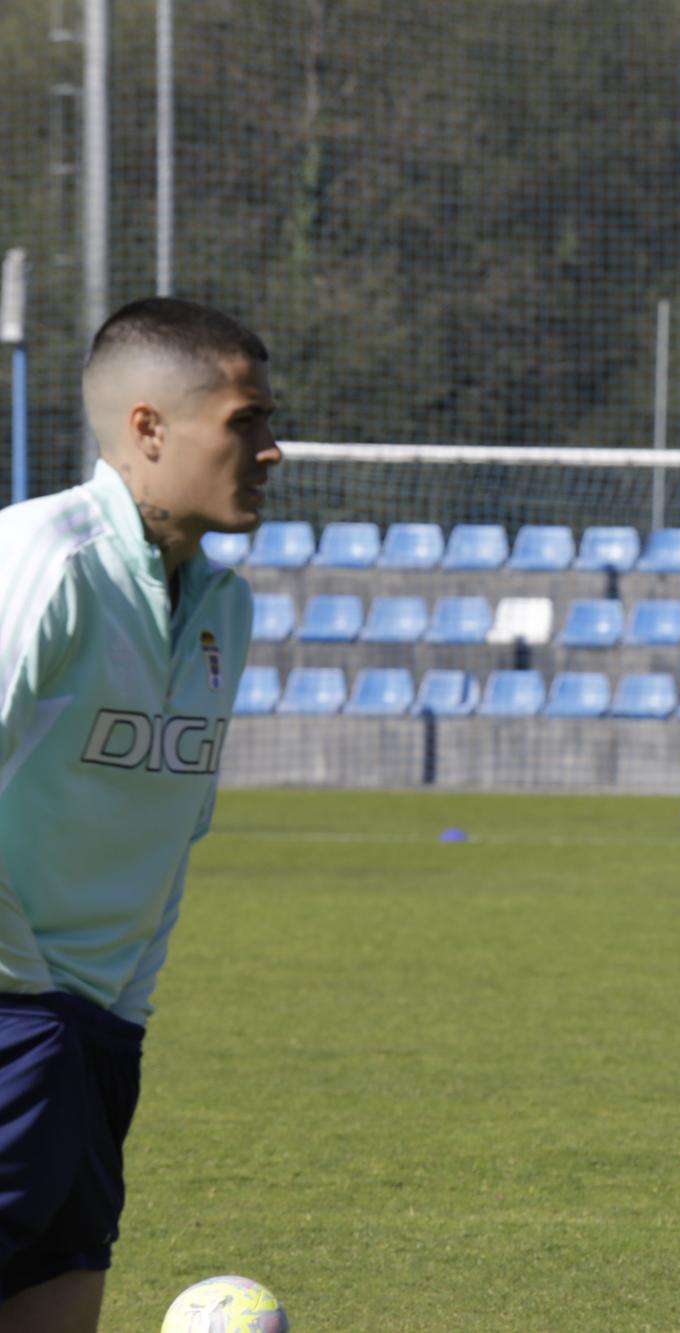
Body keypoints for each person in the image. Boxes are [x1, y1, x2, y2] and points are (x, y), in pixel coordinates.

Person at [0, 296, 277, 1331]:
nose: (270, 448)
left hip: (104, 1029)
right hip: (14, 1011)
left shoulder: (227, 607)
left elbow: (176, 831)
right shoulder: (43, 560)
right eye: (243, 422)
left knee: (61, 1296)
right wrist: (30, 986)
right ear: (148, 428)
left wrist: (117, 1008)